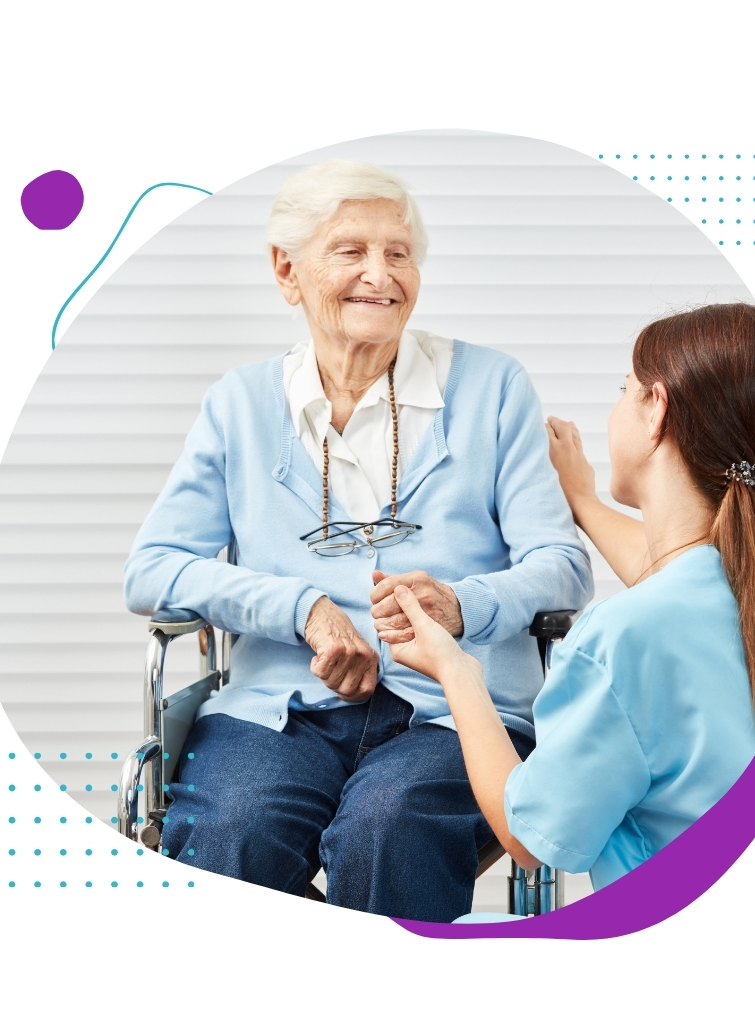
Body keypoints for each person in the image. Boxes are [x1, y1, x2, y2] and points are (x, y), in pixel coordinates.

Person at [123, 159, 593, 922]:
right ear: (288, 270)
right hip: (279, 706)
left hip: (451, 712)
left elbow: (563, 567)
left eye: (399, 252)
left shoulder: (493, 388)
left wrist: (463, 604)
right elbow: (151, 569)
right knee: (231, 831)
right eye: (350, 251)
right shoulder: (240, 404)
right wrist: (300, 606)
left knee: (388, 828)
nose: (382, 275)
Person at [380, 303, 755, 914]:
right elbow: (672, 571)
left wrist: (456, 669)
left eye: (623, 390)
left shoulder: (619, 640)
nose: (615, 408)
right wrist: (579, 498)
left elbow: (528, 838)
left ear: (656, 410)